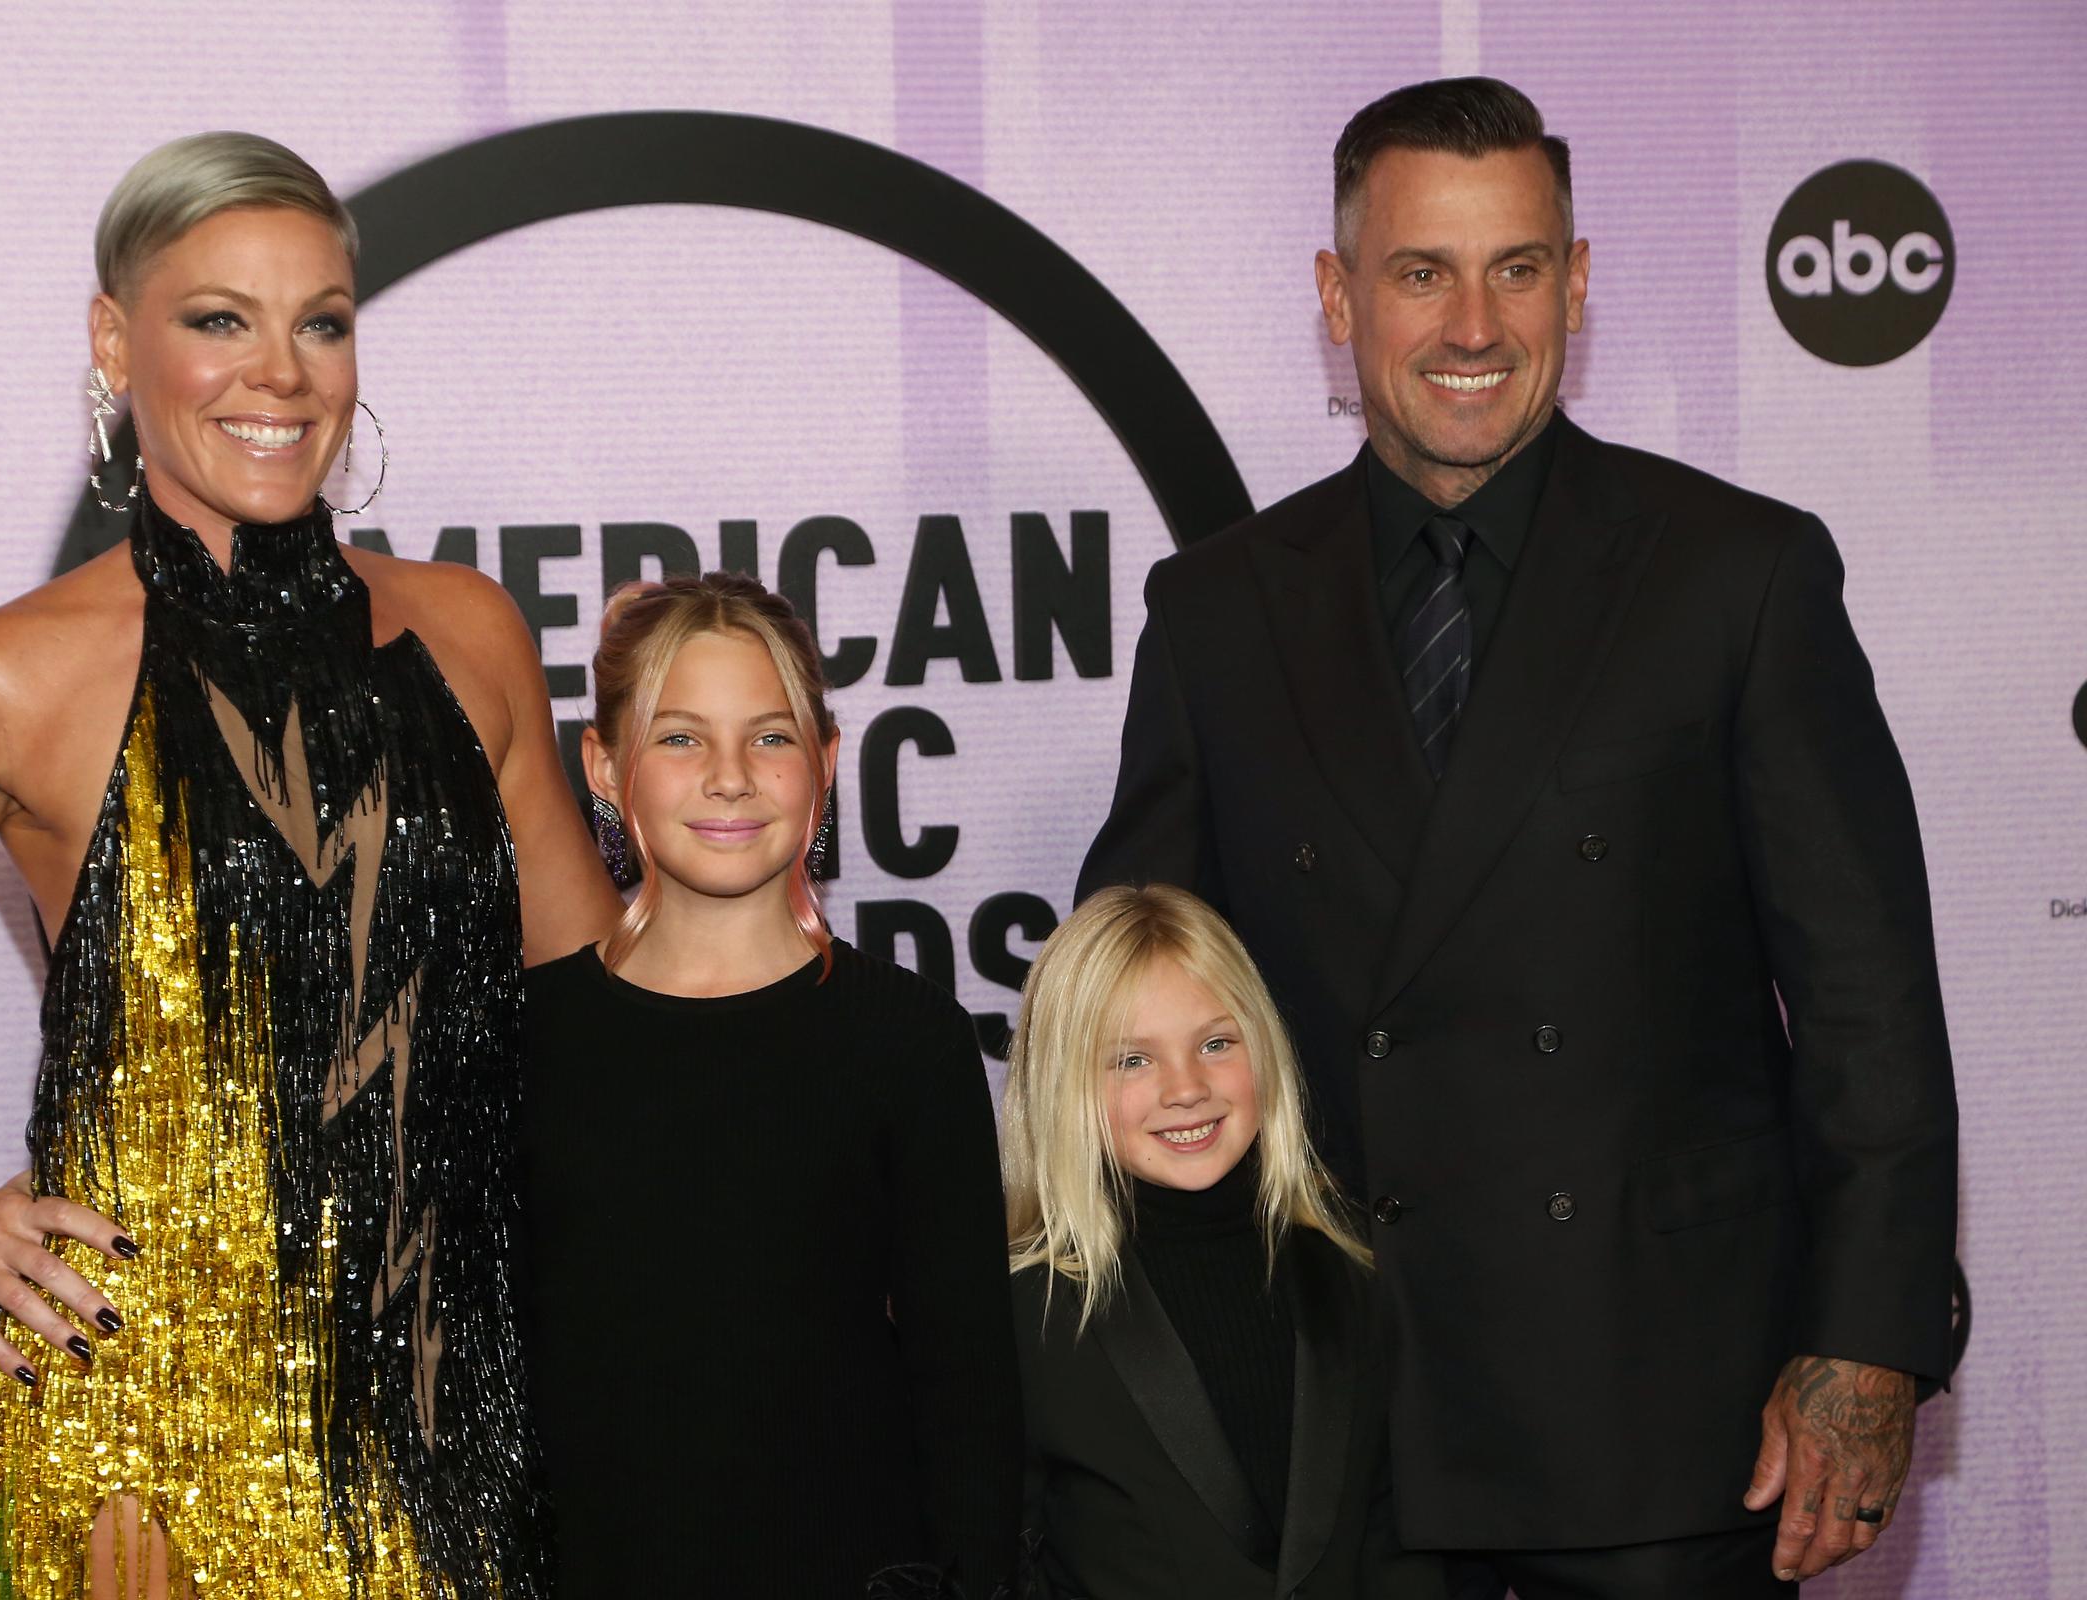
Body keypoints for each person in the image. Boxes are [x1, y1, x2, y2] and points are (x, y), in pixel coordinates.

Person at [1078, 78, 1958, 1597]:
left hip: (1662, 1413)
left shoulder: (1737, 576)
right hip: (1343, 1424)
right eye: (1423, 272)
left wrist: (1870, 1339)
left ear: (1581, 278)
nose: (1474, 324)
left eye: (1519, 268)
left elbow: (1869, 998)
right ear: (1337, 296)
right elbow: (1132, 981)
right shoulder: (1220, 607)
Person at [0, 131, 617, 1598]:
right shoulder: (2, 678)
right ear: (114, 339)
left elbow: (586, 1009)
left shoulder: (471, 633)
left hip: (468, 1404)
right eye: (220, 319)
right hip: (149, 1448)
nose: (280, 371)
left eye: (320, 322)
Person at [522, 572, 1022, 1598]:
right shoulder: (524, 1037)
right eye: (680, 737)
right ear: (604, 764)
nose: (730, 776)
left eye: (771, 735)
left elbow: (969, 1397)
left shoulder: (908, 1039)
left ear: (827, 764)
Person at [1003, 884, 1448, 1600]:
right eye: (1132, 1060)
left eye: (1216, 1043)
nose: (1186, 1088)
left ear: (1264, 1049)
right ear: (1064, 1085)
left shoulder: (1358, 1266)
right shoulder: (1026, 1312)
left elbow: (1403, 1539)